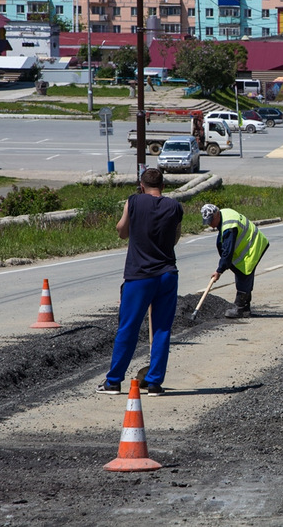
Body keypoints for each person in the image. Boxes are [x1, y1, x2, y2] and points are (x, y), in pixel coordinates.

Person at [97, 168, 183, 397]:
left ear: (141, 185)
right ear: (163, 186)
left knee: (128, 328)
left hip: (139, 275)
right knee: (162, 329)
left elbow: (122, 231)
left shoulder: (133, 201)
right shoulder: (175, 207)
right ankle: (154, 383)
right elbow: (175, 237)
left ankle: (113, 382)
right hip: (167, 274)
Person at [201, 204, 270, 319]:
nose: (210, 224)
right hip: (249, 245)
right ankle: (246, 308)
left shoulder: (229, 226)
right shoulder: (224, 214)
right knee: (241, 272)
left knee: (244, 273)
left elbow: (228, 251)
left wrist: (219, 270)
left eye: (211, 220)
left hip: (253, 246)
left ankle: (240, 308)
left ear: (217, 214)